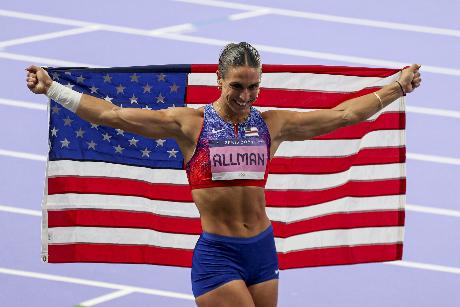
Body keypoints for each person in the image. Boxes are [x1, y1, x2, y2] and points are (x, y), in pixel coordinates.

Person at [26, 42, 421, 307]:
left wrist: (397, 88)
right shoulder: (188, 124)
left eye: (253, 87)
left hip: (263, 252)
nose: (246, 96)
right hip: (219, 256)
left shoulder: (273, 124)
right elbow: (113, 115)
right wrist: (54, 89)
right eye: (237, 86)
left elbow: (343, 115)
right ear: (219, 79)